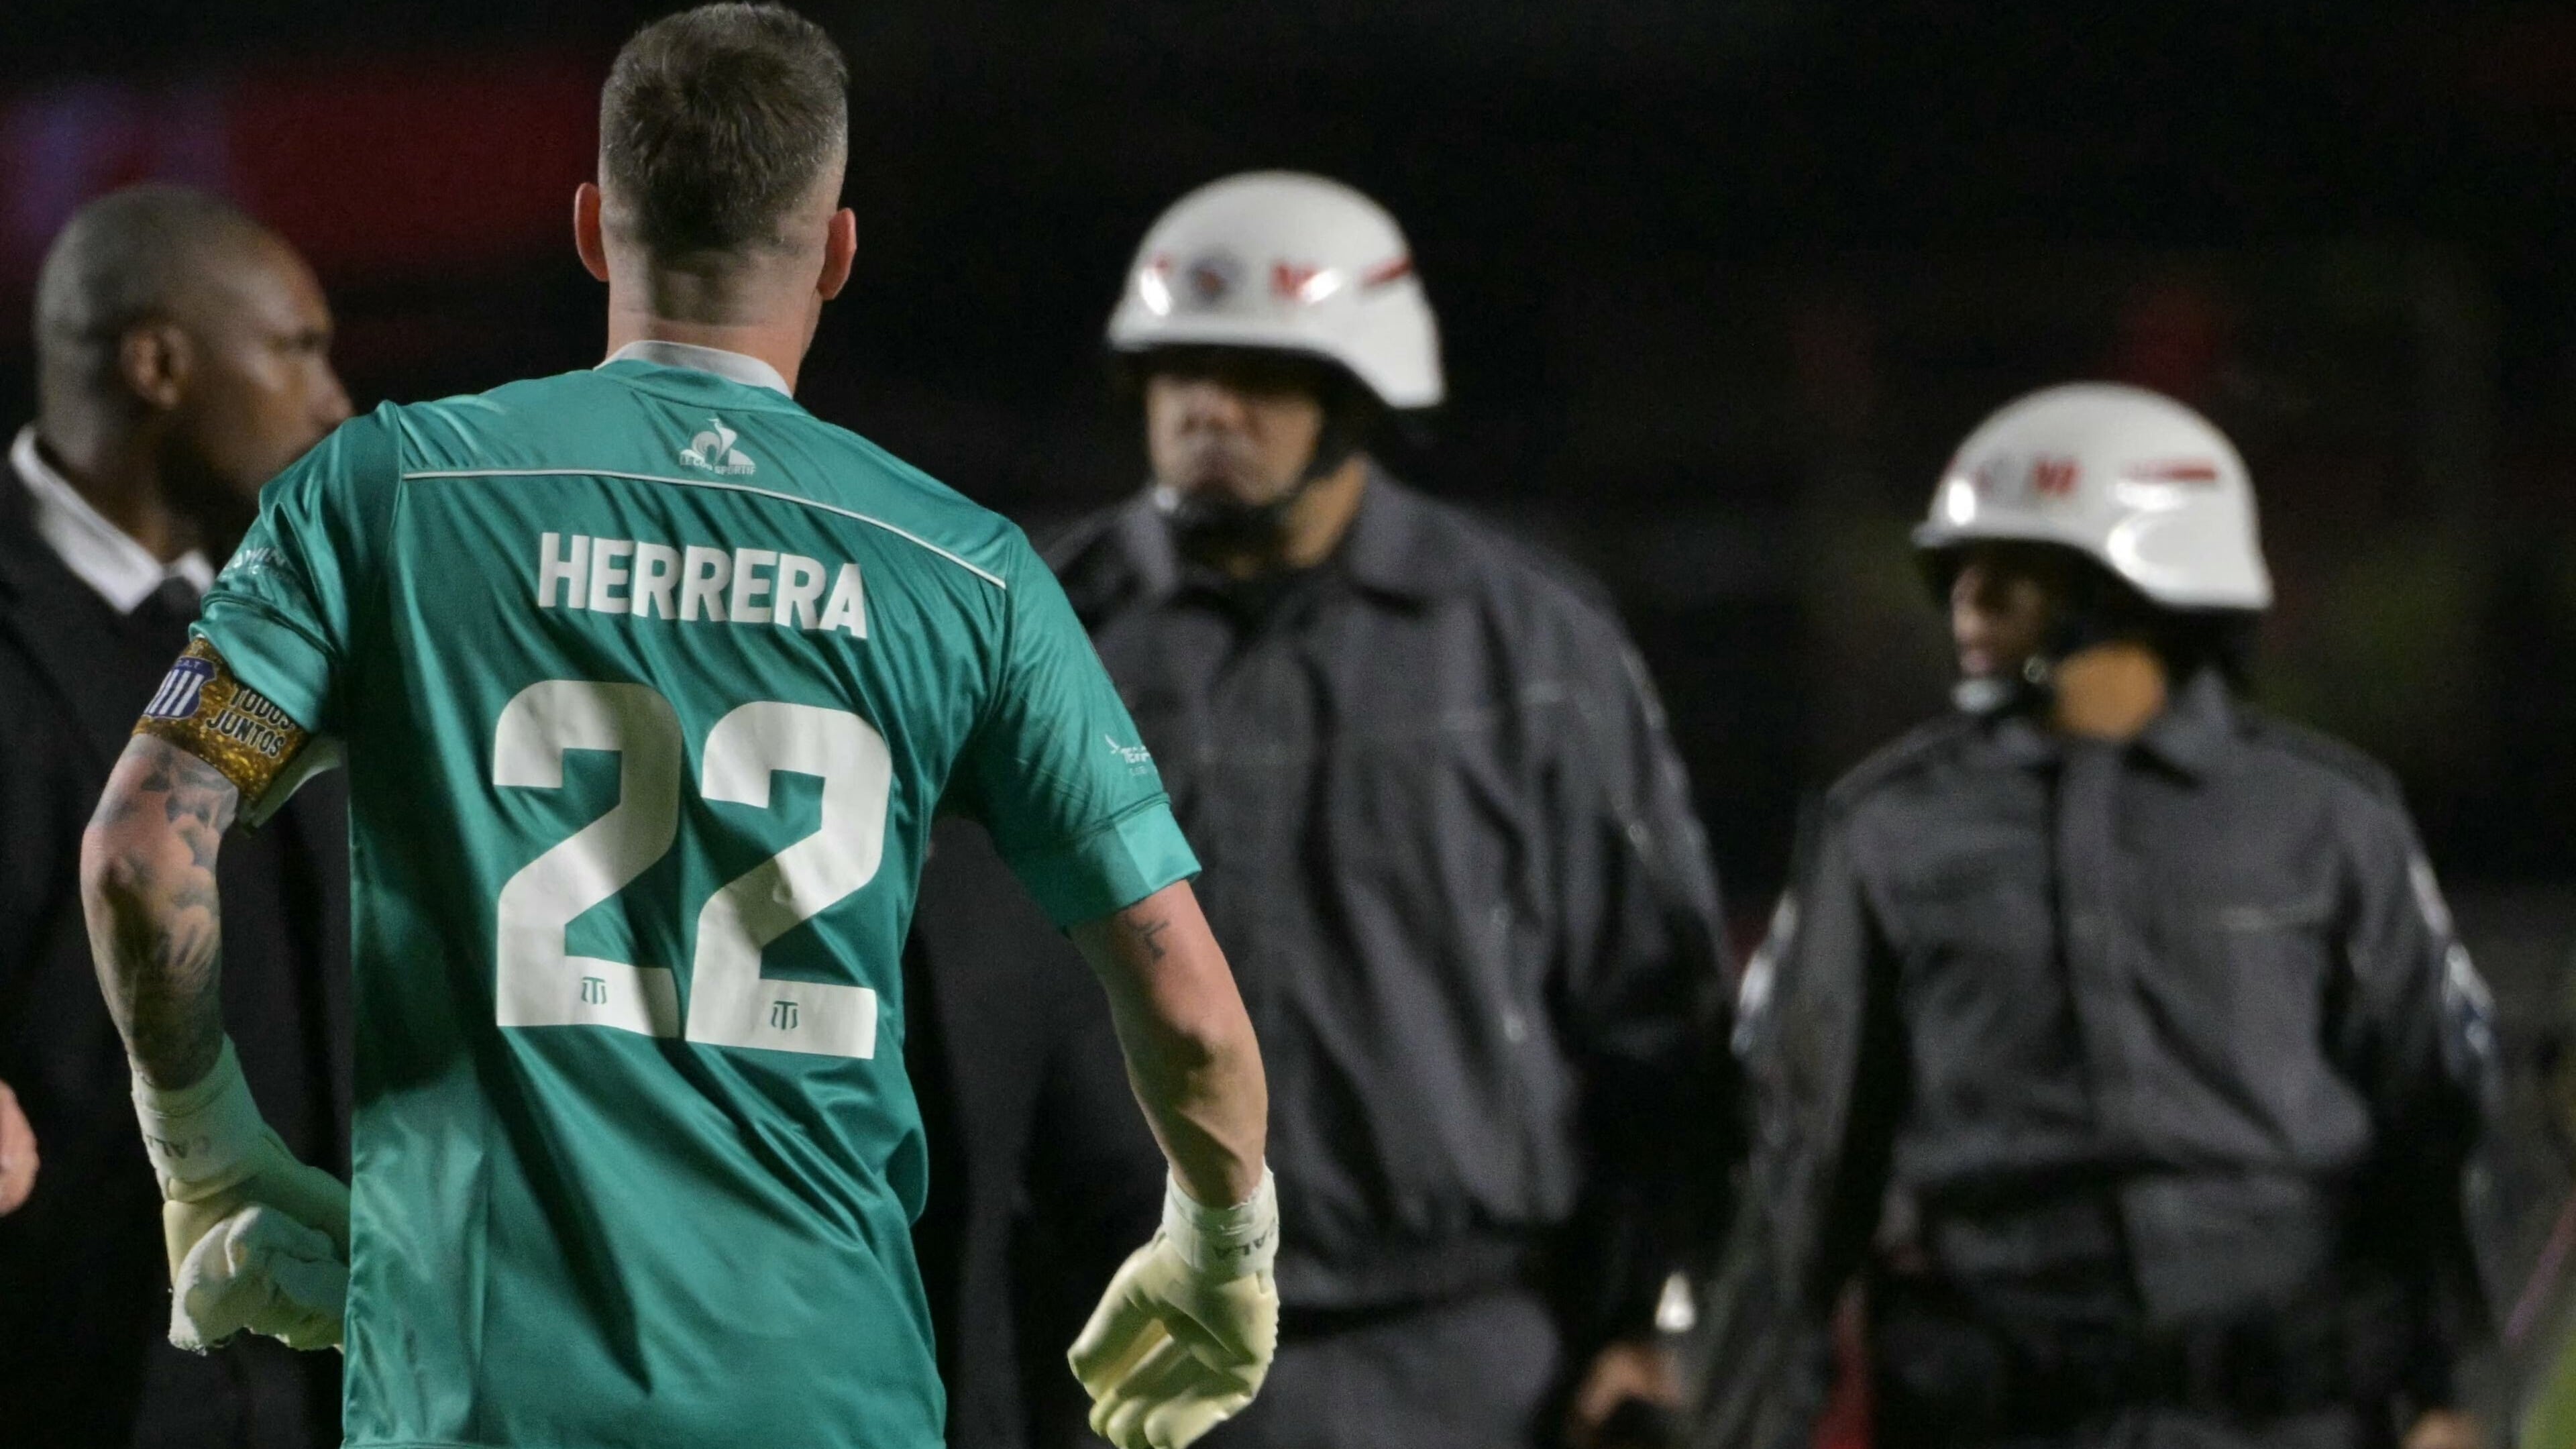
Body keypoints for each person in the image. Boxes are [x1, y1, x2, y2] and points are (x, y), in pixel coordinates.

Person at [76, 8, 1276, 1449]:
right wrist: (1223, 1243)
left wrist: (206, 1153)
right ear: (837, 248)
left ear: (593, 226)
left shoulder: (388, 491)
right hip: (823, 1393)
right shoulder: (968, 572)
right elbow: (1193, 1016)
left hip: (474, 1395)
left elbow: (146, 855)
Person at [979, 170, 1731, 1448]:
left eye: (1258, 374)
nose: (1208, 407)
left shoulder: (1533, 655)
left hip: (1460, 1361)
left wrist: (1656, 1325)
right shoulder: (1028, 628)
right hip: (1120, 1343)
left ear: (1361, 397)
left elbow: (1662, 1034)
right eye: (1177, 370)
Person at [1707, 382, 2495, 1449]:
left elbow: (2432, 1120)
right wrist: (1747, 1423)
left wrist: (2449, 1397)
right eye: (1958, 570)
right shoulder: (1888, 832)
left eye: (2018, 572)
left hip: (2289, 1419)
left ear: (2144, 578)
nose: (1967, 602)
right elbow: (1803, 1165)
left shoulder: (2326, 822)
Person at [0, 183, 352, 1448]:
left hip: (323, 1384)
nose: (334, 402)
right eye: (296, 348)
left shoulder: (292, 638)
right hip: (71, 1380)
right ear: (157, 362)